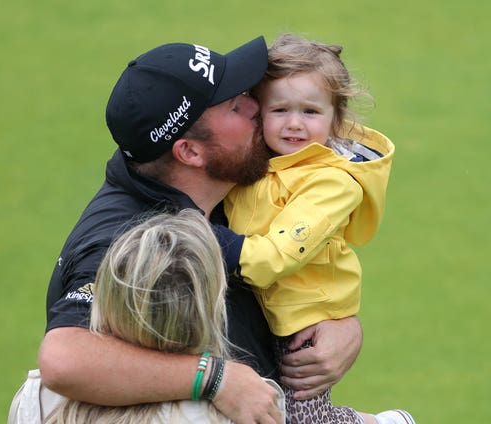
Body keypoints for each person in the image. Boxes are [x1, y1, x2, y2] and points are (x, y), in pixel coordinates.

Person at [38, 36, 364, 424]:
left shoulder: (224, 183)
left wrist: (342, 324)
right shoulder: (130, 240)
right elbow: (63, 359)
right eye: (234, 105)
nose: (256, 105)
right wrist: (215, 379)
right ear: (190, 152)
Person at [224, 34, 415, 423]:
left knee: (303, 419)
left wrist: (206, 239)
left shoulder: (333, 184)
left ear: (335, 119)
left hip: (306, 320)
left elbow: (272, 259)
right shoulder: (260, 162)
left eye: (310, 112)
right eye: (279, 110)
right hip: (266, 310)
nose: (294, 124)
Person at [47, 210, 285, 423]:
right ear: (211, 306)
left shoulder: (38, 397)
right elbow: (60, 361)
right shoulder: (252, 401)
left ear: (109, 300)